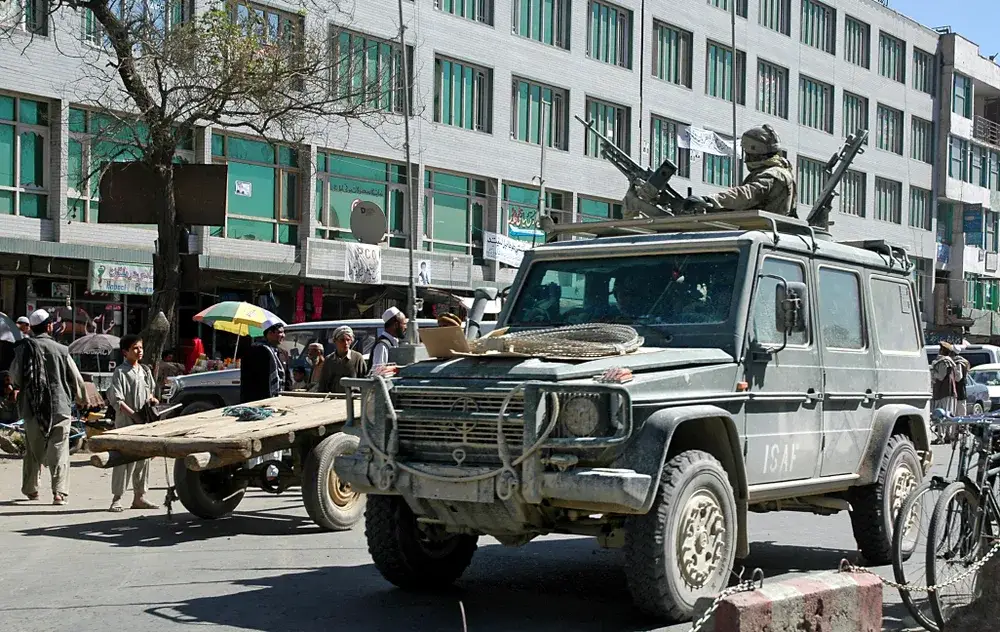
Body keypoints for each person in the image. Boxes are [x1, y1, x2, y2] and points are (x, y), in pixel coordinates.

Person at [9, 309, 86, 505]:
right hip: (59, 406)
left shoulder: (23, 349)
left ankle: (31, 490)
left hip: (32, 407)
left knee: (34, 449)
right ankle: (59, 493)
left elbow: (15, 377)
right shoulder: (62, 350)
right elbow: (76, 378)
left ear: (32, 328)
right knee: (60, 450)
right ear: (50, 326)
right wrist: (82, 398)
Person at [685, 124, 797, 217]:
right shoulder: (778, 171)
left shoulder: (773, 174)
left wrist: (710, 200)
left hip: (761, 229)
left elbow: (746, 194)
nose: (746, 157)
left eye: (747, 153)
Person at [106, 334, 160, 512]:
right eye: (135, 348)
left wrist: (153, 400)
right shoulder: (120, 372)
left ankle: (139, 497)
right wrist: (134, 415)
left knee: (143, 461)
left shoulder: (145, 371)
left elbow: (150, 392)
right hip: (126, 424)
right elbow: (118, 401)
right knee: (123, 461)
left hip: (144, 424)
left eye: (141, 347)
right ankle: (117, 498)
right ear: (125, 351)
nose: (139, 351)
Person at [240, 323, 288, 403]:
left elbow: (287, 378)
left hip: (279, 398)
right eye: (279, 332)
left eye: (283, 332)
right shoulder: (255, 351)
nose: (283, 335)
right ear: (269, 333)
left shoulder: (283, 353)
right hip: (257, 400)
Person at [318, 326, 367, 394]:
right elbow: (323, 384)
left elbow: (365, 382)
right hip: (332, 400)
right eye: (342, 340)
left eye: (348, 340)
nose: (346, 343)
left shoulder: (357, 358)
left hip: (352, 400)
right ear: (335, 341)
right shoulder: (329, 360)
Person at [930, 342, 960, 444]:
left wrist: (932, 371)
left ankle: (942, 436)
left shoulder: (943, 362)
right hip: (948, 391)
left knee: (941, 414)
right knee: (948, 414)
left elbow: (941, 376)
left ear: (942, 350)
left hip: (943, 392)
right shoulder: (951, 362)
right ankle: (947, 435)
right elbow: (957, 377)